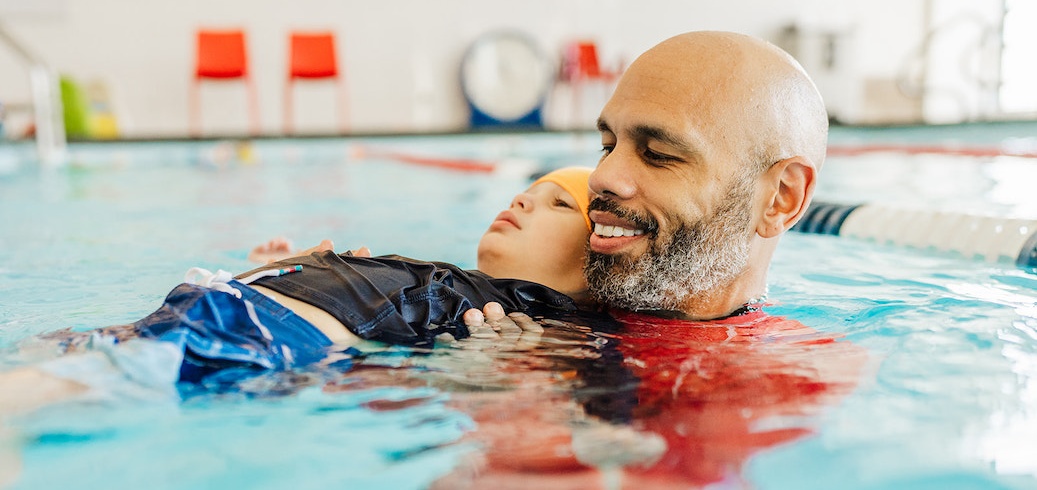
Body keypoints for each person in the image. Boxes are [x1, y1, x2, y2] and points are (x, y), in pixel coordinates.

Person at [0, 167, 595, 415]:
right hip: (217, 308)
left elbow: (467, 385)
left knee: (31, 393)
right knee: (46, 357)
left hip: (253, 339)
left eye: (558, 204)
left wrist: (494, 364)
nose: (521, 199)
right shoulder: (457, 278)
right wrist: (283, 271)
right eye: (529, 188)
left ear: (596, 263)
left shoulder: (517, 317)